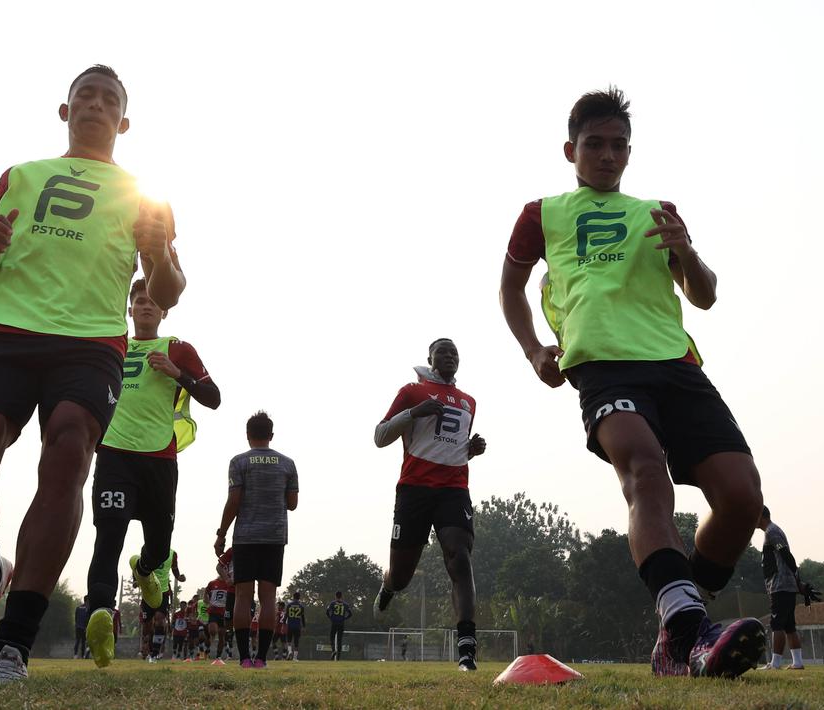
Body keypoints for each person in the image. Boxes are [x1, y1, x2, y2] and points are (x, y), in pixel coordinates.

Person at [498, 86, 766, 679]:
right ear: (571, 149)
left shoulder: (657, 211)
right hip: (601, 365)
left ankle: (679, 620)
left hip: (676, 364)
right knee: (644, 470)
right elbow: (510, 287)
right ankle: (692, 629)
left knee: (743, 500)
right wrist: (533, 349)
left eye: (619, 146)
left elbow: (705, 296)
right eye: (595, 144)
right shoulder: (543, 213)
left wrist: (687, 253)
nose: (608, 156)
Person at [0, 64, 186, 685]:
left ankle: (12, 646)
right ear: (65, 110)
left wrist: (156, 256)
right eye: (85, 96)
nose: (96, 106)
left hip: (90, 344)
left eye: (109, 100)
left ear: (124, 121)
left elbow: (169, 290)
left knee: (69, 452)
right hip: (7, 336)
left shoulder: (145, 197)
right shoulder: (21, 176)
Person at [84, 277, 220, 667]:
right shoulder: (111, 343)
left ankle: (146, 570)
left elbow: (213, 398)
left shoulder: (177, 348)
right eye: (138, 300)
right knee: (108, 535)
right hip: (113, 456)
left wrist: (178, 373)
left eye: (151, 301)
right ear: (129, 308)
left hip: (159, 460)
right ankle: (100, 614)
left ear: (164, 310)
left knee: (160, 547)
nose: (144, 305)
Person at [373, 338, 486, 671]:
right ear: (430, 358)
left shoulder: (468, 402)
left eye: (455, 352)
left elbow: (447, 445)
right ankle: (389, 583)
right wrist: (414, 413)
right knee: (404, 576)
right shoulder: (412, 391)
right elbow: (380, 436)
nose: (450, 355)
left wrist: (470, 450)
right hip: (414, 491)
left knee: (459, 557)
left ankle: (467, 647)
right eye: (443, 351)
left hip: (454, 489)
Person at [215, 411, 300, 668]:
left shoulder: (239, 462)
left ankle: (243, 658)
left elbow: (234, 501)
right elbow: (293, 504)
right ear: (271, 435)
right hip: (274, 536)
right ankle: (262, 658)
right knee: (268, 597)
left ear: (248, 435)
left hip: (246, 536)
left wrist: (221, 533)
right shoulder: (287, 464)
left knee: (242, 596)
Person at [758, 506, 813, 670]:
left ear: (761, 516)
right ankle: (798, 662)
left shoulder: (771, 531)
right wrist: (797, 583)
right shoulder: (773, 531)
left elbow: (786, 555)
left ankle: (775, 663)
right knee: (789, 625)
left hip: (780, 585)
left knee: (777, 624)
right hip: (786, 585)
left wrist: (798, 581)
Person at [138, 549, 185, 662]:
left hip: (163, 592)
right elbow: (138, 566)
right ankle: (145, 650)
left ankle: (154, 654)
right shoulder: (147, 548)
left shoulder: (173, 553)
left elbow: (174, 568)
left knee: (160, 621)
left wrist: (178, 577)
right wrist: (136, 580)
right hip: (148, 592)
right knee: (147, 626)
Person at [205, 565, 235, 664]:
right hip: (213, 612)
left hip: (224, 613)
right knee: (213, 631)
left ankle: (218, 656)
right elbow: (206, 592)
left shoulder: (230, 584)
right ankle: (207, 648)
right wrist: (207, 600)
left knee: (222, 636)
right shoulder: (212, 583)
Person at [326, 592, 352, 660]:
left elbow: (327, 611)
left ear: (336, 596)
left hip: (334, 622)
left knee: (332, 637)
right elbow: (350, 613)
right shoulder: (345, 604)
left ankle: (333, 650)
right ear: (341, 596)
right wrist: (344, 618)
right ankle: (338, 657)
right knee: (339, 640)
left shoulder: (332, 603)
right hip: (341, 623)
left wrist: (330, 617)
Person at [285, 591, 306, 661]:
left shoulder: (289, 605)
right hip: (297, 626)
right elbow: (303, 618)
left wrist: (283, 625)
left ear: (293, 597)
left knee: (289, 641)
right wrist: (304, 627)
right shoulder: (301, 606)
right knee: (296, 642)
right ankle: (295, 657)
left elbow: (286, 616)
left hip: (290, 625)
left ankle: (290, 651)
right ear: (299, 598)